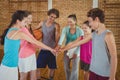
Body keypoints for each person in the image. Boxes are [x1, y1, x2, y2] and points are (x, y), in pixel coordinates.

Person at [61, 8, 117, 80]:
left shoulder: (108, 35)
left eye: (90, 21)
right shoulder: (93, 34)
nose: (89, 24)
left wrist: (112, 77)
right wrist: (63, 49)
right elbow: (77, 43)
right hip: (93, 71)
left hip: (104, 73)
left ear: (96, 19)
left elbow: (114, 56)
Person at [0, 10, 56, 80]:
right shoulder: (18, 33)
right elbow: (35, 42)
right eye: (25, 22)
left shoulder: (11, 30)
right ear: (18, 21)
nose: (25, 24)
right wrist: (51, 49)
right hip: (9, 68)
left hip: (10, 66)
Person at [36, 8, 60, 80]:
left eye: (54, 17)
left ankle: (51, 79)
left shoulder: (56, 25)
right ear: (48, 15)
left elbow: (57, 38)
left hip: (52, 49)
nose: (52, 19)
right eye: (51, 16)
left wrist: (56, 48)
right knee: (38, 67)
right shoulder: (42, 23)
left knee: (52, 68)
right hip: (43, 48)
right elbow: (35, 31)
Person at [58, 14, 84, 80]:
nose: (69, 23)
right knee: (66, 67)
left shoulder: (80, 30)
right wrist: (59, 45)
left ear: (75, 21)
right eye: (68, 21)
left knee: (75, 68)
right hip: (67, 49)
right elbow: (62, 38)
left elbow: (81, 43)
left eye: (71, 21)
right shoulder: (65, 29)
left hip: (76, 50)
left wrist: (76, 52)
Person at [18, 11, 37, 80]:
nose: (31, 20)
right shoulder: (23, 29)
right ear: (24, 19)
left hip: (32, 54)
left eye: (31, 18)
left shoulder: (29, 28)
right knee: (23, 77)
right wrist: (50, 49)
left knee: (34, 77)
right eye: (29, 18)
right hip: (25, 56)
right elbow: (35, 42)